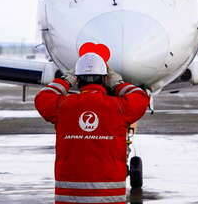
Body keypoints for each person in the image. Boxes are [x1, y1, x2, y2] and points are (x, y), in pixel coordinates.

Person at [35, 52, 149, 204]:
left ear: (78, 80)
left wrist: (66, 80)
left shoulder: (63, 106)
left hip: (69, 199)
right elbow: (140, 97)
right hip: (110, 198)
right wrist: (117, 83)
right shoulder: (119, 107)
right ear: (104, 79)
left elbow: (43, 98)